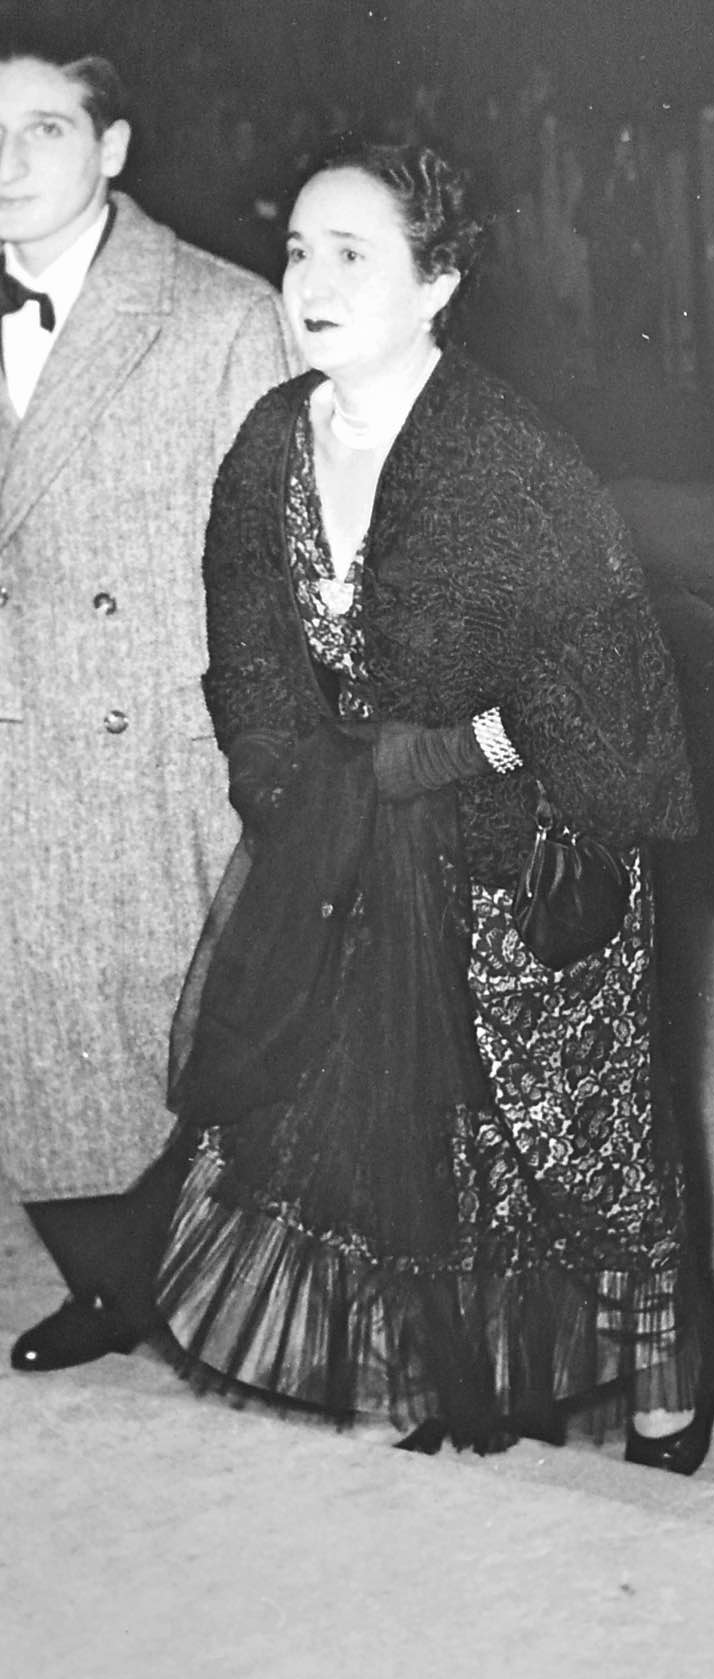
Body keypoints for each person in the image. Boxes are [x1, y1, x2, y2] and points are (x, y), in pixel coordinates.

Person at [154, 138, 714, 1467]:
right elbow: (246, 656)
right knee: (404, 1140)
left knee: (573, 1143)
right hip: (348, 848)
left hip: (523, 859)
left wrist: (436, 758)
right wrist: (290, 781)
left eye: (352, 255)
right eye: (298, 252)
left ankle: (666, 1383)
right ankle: (453, 1372)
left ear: (438, 283)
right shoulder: (270, 443)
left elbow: (603, 697)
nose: (311, 283)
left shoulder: (511, 459)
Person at [0, 40, 294, 1374]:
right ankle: (108, 1288)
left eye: (46, 129)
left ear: (112, 149)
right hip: (18, 744)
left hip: (154, 754)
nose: (10, 162)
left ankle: (210, 1298)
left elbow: (289, 560)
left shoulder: (219, 314)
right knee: (36, 1056)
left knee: (174, 1050)